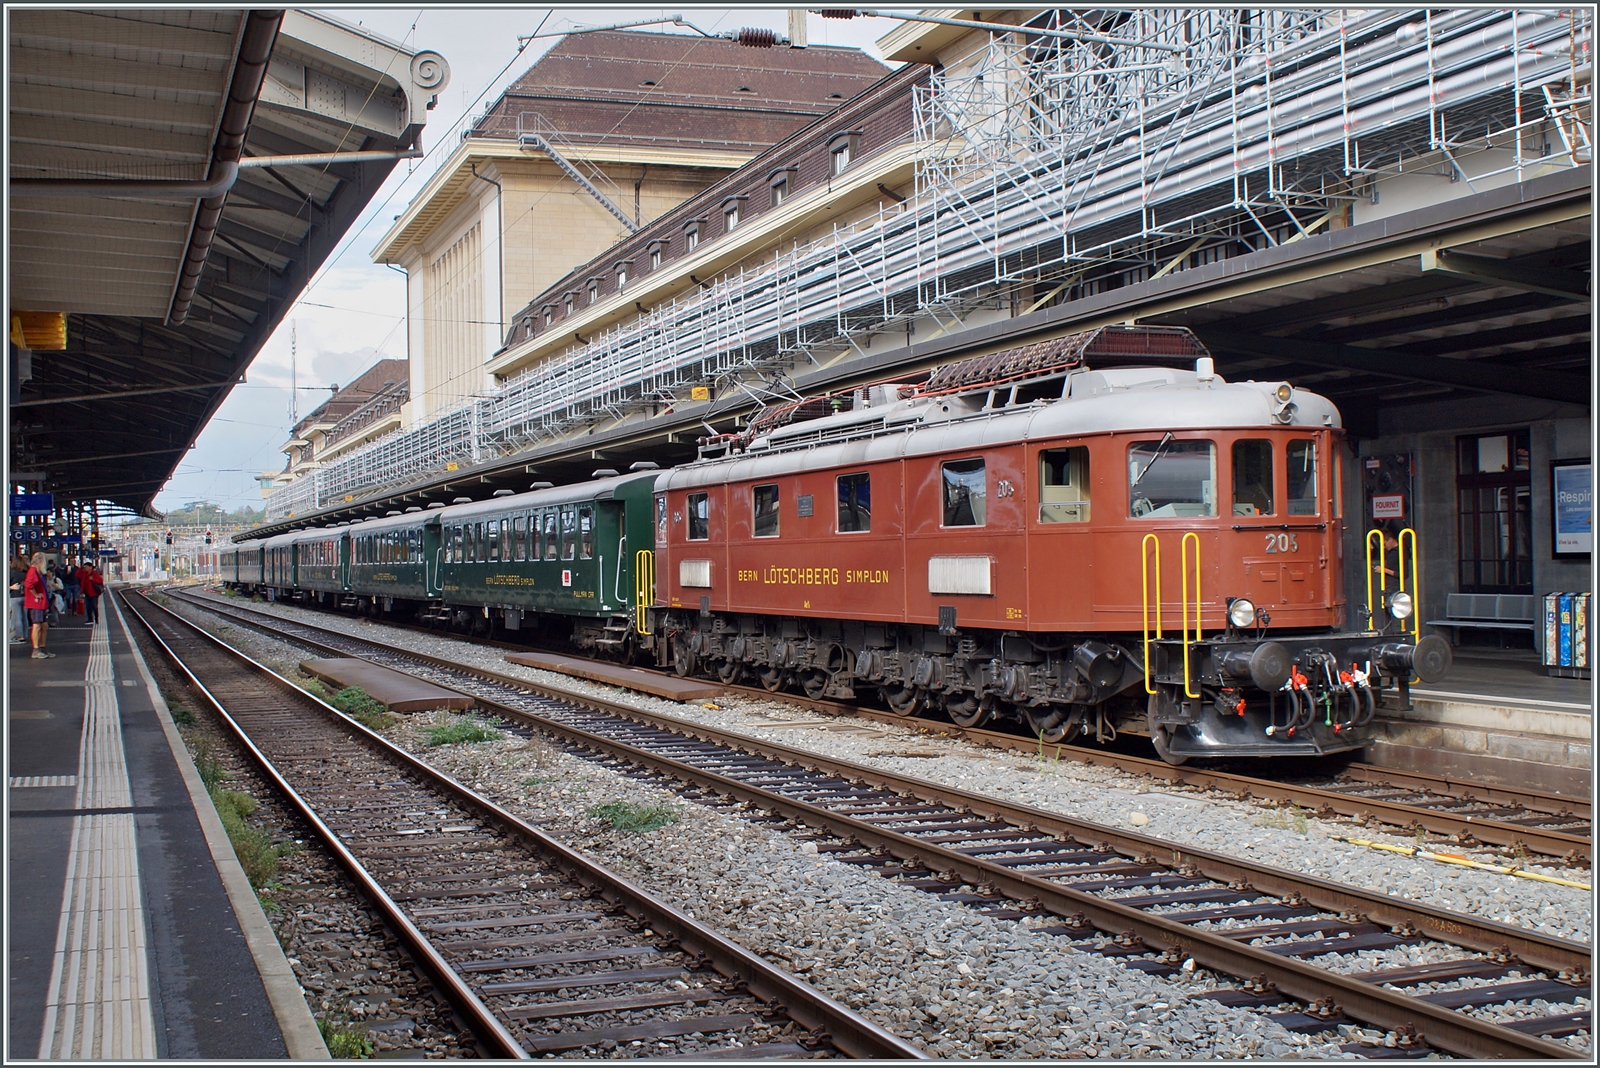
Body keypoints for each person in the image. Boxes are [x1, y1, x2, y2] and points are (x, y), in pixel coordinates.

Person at [24, 552, 55, 658]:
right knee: (37, 625)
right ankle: (36, 649)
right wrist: (35, 594)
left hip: (41, 603)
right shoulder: (33, 571)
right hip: (36, 602)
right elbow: (29, 584)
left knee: (44, 625)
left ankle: (42, 647)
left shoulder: (38, 572)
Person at [9, 554, 29, 644]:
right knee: (24, 617)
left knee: (17, 617)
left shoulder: (11, 572)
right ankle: (25, 634)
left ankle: (19, 636)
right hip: (25, 596)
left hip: (15, 596)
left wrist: (11, 587)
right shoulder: (26, 572)